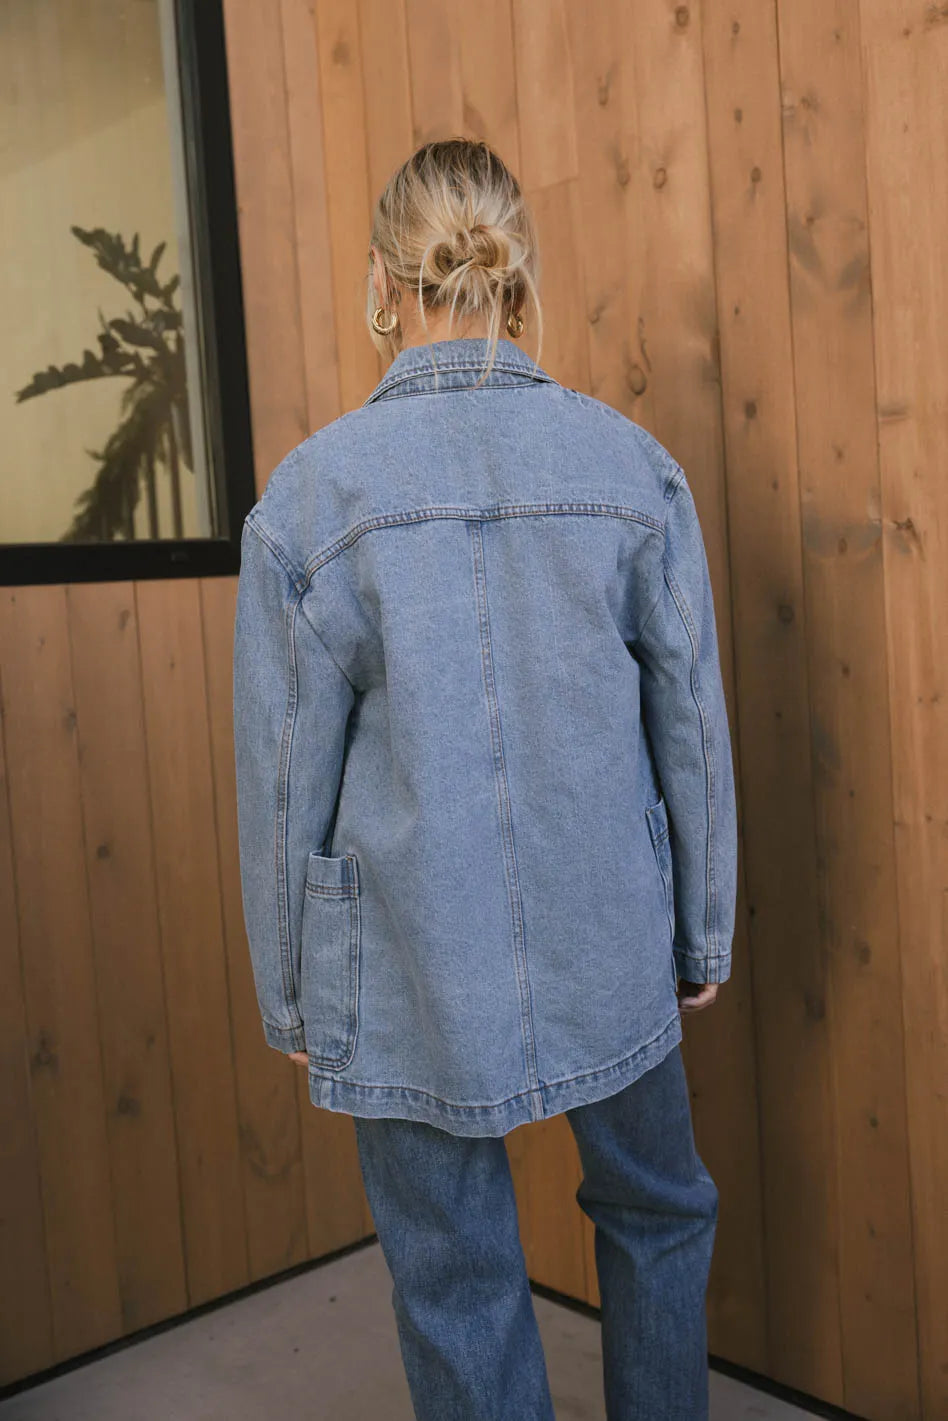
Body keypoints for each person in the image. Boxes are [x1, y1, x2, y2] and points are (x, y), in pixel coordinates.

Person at [233, 137, 738, 1421]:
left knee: (453, 1272)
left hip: (409, 952)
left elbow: (286, 775)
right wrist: (702, 924)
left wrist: (292, 988)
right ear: (519, 278)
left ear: (381, 282)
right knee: (659, 1211)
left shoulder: (310, 498)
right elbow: (689, 722)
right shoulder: (631, 467)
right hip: (612, 924)